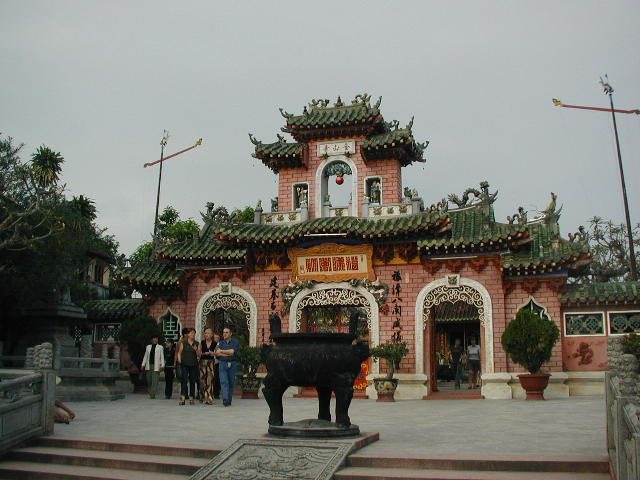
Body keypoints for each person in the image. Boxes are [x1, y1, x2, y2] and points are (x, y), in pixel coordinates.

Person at [214, 327, 240, 406]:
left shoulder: (235, 342)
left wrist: (221, 351)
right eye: (223, 332)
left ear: (230, 334)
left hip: (233, 364)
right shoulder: (220, 343)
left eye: (226, 332)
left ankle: (229, 399)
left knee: (231, 382)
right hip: (222, 363)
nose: (224, 334)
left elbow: (232, 352)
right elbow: (217, 354)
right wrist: (227, 353)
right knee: (224, 381)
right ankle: (225, 399)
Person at [176, 328, 200, 405]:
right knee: (184, 380)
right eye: (191, 333)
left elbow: (199, 354)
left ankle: (191, 398)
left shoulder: (197, 343)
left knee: (192, 381)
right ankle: (183, 398)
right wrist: (179, 359)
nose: (193, 334)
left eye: (194, 333)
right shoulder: (183, 342)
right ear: (188, 334)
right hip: (184, 364)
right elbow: (179, 352)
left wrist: (196, 350)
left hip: (193, 364)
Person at [141, 335, 165, 399]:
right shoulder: (148, 347)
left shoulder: (160, 347)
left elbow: (162, 356)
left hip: (156, 366)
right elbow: (146, 356)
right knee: (149, 380)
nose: (155, 340)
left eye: (156, 339)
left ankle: (153, 394)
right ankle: (150, 391)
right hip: (149, 365)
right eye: (154, 338)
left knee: (155, 380)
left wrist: (162, 365)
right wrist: (143, 364)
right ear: (151, 340)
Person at [199, 327, 217, 405]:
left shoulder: (215, 343)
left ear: (212, 334)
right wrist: (204, 353)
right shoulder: (202, 343)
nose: (207, 334)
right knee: (202, 379)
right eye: (205, 333)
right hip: (203, 362)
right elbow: (198, 353)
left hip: (211, 362)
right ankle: (203, 396)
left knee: (210, 379)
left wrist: (213, 353)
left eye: (208, 333)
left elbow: (217, 353)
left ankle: (209, 397)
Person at [212, 333, 221, 399]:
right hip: (210, 363)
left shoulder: (221, 345)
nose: (216, 339)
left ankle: (216, 393)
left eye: (217, 338)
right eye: (215, 337)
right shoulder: (210, 344)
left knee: (217, 379)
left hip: (217, 364)